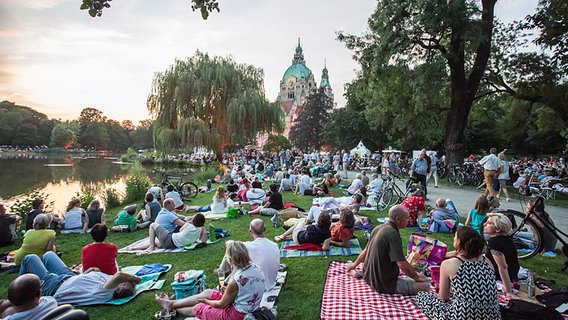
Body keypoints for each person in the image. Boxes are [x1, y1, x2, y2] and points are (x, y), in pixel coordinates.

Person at [154, 241, 265, 319]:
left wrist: (207, 303)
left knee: (199, 307)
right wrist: (228, 291)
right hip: (246, 305)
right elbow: (247, 290)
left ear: (231, 259)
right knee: (208, 292)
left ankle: (173, 307)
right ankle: (171, 303)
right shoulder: (257, 268)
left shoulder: (236, 280)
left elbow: (221, 304)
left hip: (237, 315)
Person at [414, 226, 501, 319]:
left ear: (459, 241)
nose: (453, 238)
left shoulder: (449, 264)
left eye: (455, 236)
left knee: (422, 296)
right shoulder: (486, 261)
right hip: (492, 314)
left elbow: (443, 297)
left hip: (464, 315)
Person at [346, 205, 430, 295]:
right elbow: (402, 264)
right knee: (426, 286)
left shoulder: (378, 228)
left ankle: (359, 273)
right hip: (383, 284)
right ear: (398, 219)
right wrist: (417, 278)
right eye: (407, 217)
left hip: (369, 277)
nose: (409, 220)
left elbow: (366, 251)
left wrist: (354, 265)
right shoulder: (392, 234)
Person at [19, 251, 141, 305]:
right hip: (69, 277)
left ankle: (18, 292)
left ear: (118, 290)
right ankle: (30, 280)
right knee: (49, 255)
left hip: (53, 286)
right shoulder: (108, 284)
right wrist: (90, 274)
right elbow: (117, 274)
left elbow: (119, 276)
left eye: (124, 283)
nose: (124, 280)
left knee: (30, 258)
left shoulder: (106, 293)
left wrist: (135, 278)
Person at [217, 219, 280, 291]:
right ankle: (223, 272)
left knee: (232, 250)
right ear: (265, 229)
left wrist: (231, 243)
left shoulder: (248, 246)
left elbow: (229, 244)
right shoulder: (274, 245)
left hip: (256, 286)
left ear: (250, 231)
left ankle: (222, 271)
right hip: (270, 282)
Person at [484, 213, 520, 299]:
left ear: (497, 229)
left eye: (489, 223)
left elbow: (503, 266)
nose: (484, 224)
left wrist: (508, 291)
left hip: (498, 277)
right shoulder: (505, 239)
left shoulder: (494, 242)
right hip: (512, 273)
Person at [131, 213, 207, 251]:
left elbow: (180, 230)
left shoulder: (188, 225)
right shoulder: (202, 230)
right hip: (172, 246)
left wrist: (190, 221)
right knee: (157, 242)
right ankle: (136, 248)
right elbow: (204, 241)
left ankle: (151, 247)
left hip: (170, 239)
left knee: (153, 225)